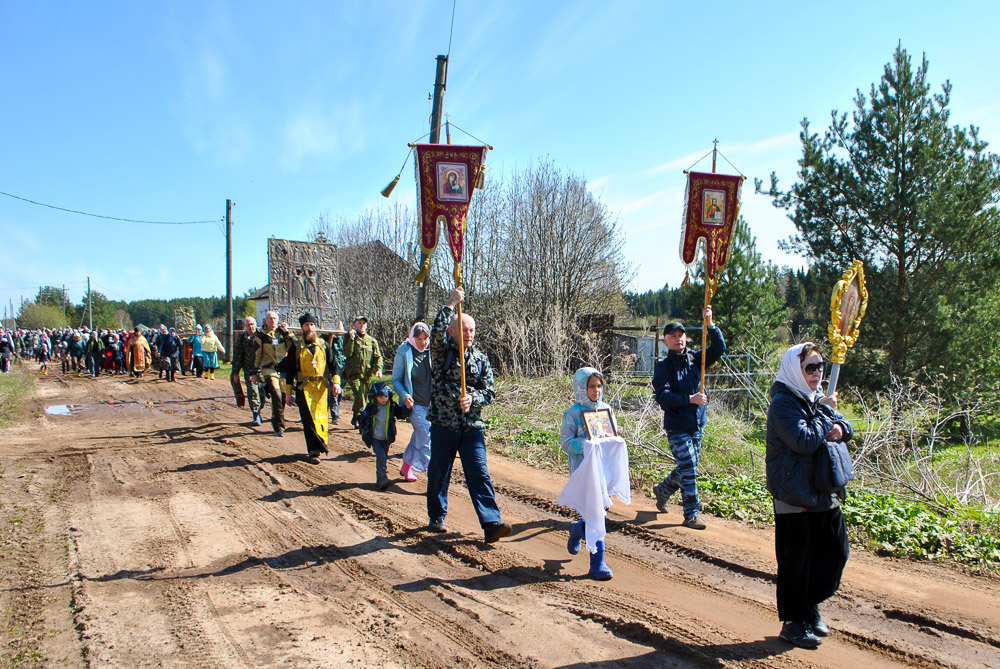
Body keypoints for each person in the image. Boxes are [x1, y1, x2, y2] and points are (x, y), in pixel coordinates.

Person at [766, 342, 853, 649]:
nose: (817, 373)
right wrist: (827, 412)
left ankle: (810, 605)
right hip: (793, 492)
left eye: (820, 367)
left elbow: (843, 425)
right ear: (795, 370)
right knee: (796, 562)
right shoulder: (783, 403)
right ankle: (793, 622)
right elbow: (803, 440)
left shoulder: (815, 399)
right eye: (810, 368)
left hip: (821, 488)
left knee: (835, 553)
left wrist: (841, 428)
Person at [425, 287, 511, 544]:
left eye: (472, 330)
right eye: (463, 329)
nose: (469, 334)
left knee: (479, 472)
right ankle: (437, 516)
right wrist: (451, 303)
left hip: (471, 425)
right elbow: (436, 332)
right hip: (444, 424)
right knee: (440, 471)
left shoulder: (481, 359)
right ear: (452, 332)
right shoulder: (443, 353)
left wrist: (473, 398)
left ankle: (491, 523)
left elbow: (490, 392)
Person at [651, 307, 726, 530]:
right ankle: (692, 513)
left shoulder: (697, 360)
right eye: (673, 336)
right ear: (666, 341)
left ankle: (663, 490)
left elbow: (719, 348)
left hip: (697, 425)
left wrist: (710, 324)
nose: (678, 339)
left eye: (681, 335)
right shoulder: (663, 368)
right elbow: (663, 398)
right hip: (677, 426)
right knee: (690, 468)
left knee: (687, 466)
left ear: (686, 337)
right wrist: (689, 399)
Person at [560, 367, 620, 580]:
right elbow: (565, 443)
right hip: (583, 472)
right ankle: (598, 562)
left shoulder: (606, 410)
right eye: (590, 386)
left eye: (598, 386)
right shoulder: (573, 413)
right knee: (595, 514)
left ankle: (578, 529)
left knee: (599, 512)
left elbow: (612, 435)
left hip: (603, 471)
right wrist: (586, 445)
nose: (596, 391)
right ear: (580, 388)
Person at [278, 312, 341, 463]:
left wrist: (336, 382)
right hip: (303, 388)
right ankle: (314, 451)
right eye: (307, 325)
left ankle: (321, 443)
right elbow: (290, 371)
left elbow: (334, 366)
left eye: (312, 325)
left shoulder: (324, 345)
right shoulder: (296, 347)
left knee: (320, 418)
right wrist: (288, 393)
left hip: (321, 388)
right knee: (308, 420)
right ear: (302, 327)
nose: (310, 328)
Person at [391, 322, 432, 482]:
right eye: (419, 338)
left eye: (425, 338)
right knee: (426, 439)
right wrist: (404, 395)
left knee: (419, 436)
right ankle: (434, 478)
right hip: (415, 405)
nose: (423, 342)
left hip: (432, 404)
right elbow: (396, 380)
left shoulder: (432, 352)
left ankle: (406, 466)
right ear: (413, 338)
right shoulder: (404, 352)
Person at [250, 310, 292, 437]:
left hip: (283, 370)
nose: (272, 321)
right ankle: (279, 426)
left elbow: (294, 345)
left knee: (283, 396)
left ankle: (277, 416)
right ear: (265, 320)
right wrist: (254, 372)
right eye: (270, 319)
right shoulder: (261, 336)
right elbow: (256, 354)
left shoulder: (282, 333)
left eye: (274, 318)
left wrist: (287, 333)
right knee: (276, 393)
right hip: (269, 369)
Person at [357, 381, 406, 491]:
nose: (384, 399)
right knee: (381, 456)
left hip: (386, 438)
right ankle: (382, 478)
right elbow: (362, 418)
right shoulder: (371, 407)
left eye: (386, 396)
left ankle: (381, 476)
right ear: (375, 397)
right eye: (380, 397)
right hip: (375, 438)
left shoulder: (392, 406)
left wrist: (408, 408)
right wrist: (363, 430)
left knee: (384, 456)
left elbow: (401, 414)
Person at [342, 316, 383, 427]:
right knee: (360, 396)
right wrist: (351, 339)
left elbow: (378, 356)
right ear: (355, 325)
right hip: (353, 374)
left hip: (367, 375)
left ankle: (355, 416)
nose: (362, 325)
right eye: (359, 323)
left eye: (364, 323)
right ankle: (363, 419)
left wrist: (378, 369)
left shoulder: (371, 341)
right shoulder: (349, 338)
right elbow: (347, 353)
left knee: (363, 397)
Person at [232, 317, 266, 425]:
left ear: (256, 324)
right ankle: (256, 414)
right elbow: (238, 355)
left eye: (252, 324)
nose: (251, 326)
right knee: (252, 391)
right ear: (245, 326)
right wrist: (235, 372)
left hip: (262, 369)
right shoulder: (242, 338)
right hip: (248, 369)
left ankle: (259, 409)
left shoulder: (262, 335)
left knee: (262, 392)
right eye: (248, 325)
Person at [325, 326, 347, 426]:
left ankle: (332, 411)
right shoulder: (325, 338)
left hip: (342, 368)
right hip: (331, 370)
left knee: (340, 392)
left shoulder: (344, 339)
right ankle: (335, 416)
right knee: (333, 392)